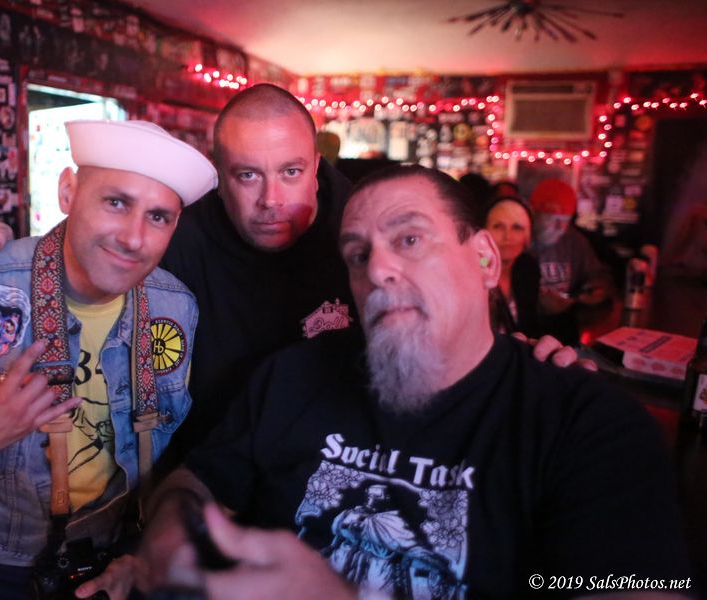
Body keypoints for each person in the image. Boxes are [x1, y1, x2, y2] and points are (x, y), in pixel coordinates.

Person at [0, 86, 583, 470]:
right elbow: (94, 251)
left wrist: (517, 362)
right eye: (247, 175)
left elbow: (446, 310)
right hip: (197, 478)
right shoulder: (180, 234)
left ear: (316, 164)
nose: (272, 200)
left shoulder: (364, 228)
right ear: (220, 177)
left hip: (336, 472)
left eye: (292, 172)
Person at [129, 165, 691, 600]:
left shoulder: (593, 430)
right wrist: (173, 540)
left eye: (410, 240)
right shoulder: (293, 376)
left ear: (485, 259)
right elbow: (195, 482)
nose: (377, 269)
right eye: (357, 255)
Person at [0, 119, 217, 599]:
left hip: (117, 559)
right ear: (67, 192)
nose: (134, 238)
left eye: (158, 217)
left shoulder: (176, 307)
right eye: (116, 203)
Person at [530, 179, 612, 345]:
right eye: (552, 219)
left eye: (565, 220)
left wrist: (596, 288)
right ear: (534, 213)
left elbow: (596, 274)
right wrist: (536, 302)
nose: (560, 227)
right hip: (527, 327)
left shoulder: (575, 241)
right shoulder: (518, 238)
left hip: (563, 328)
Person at [483, 195, 540, 337]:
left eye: (517, 228)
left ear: (528, 236)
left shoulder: (527, 268)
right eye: (498, 226)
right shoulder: (477, 268)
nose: (507, 236)